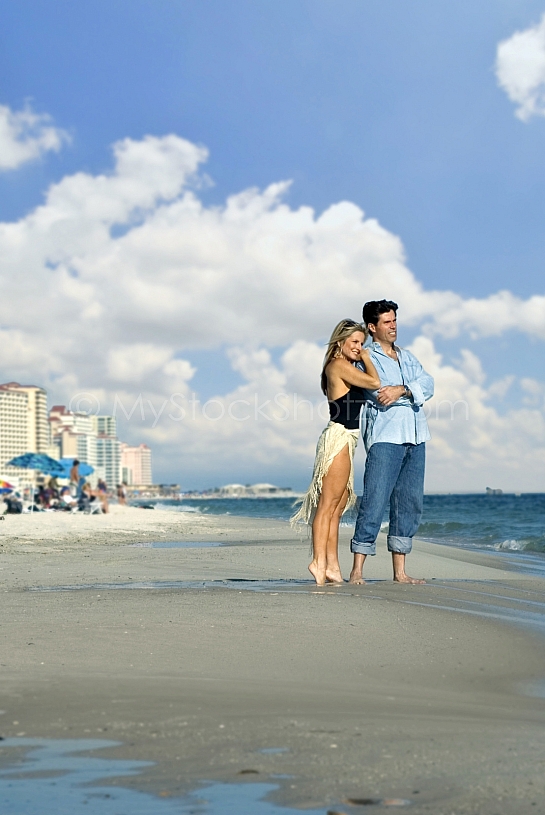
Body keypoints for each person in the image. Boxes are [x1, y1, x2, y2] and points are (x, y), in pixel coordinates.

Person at [349, 300, 434, 585]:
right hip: (386, 436)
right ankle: (357, 570)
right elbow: (378, 393)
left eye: (394, 320)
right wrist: (407, 392)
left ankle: (400, 572)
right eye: (387, 322)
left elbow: (429, 384)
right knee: (374, 500)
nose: (393, 325)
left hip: (416, 435)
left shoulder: (408, 357)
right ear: (372, 327)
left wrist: (404, 389)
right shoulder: (366, 357)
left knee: (408, 503)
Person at [291, 319, 380, 585]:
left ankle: (332, 566)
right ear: (339, 342)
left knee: (337, 507)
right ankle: (319, 562)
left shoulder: (343, 366)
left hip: (347, 439)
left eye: (362, 343)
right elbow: (374, 382)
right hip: (339, 436)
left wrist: (361, 356)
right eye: (354, 342)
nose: (358, 347)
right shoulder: (338, 365)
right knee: (327, 505)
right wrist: (366, 357)